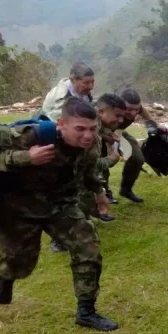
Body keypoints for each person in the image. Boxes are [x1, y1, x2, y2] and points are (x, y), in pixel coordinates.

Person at [0, 97, 119, 332]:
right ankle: (3, 276)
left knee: (88, 249)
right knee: (17, 263)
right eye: (80, 129)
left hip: (61, 206)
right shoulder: (29, 136)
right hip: (19, 208)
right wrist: (25, 157)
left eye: (92, 128)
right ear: (62, 124)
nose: (87, 136)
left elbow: (87, 171)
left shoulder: (91, 144)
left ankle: (86, 312)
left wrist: (99, 191)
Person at [50, 94, 125, 253]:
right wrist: (111, 160)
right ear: (102, 112)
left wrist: (100, 191)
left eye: (93, 129)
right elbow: (91, 165)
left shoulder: (96, 129)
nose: (120, 120)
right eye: (117, 115)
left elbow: (89, 166)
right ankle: (59, 239)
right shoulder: (83, 133)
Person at [118, 88, 161, 203]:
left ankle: (126, 189)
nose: (133, 113)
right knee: (104, 162)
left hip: (119, 133)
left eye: (135, 109)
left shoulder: (138, 109)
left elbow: (144, 112)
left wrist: (154, 125)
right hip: (102, 135)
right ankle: (103, 192)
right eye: (129, 109)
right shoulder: (111, 108)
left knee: (138, 158)